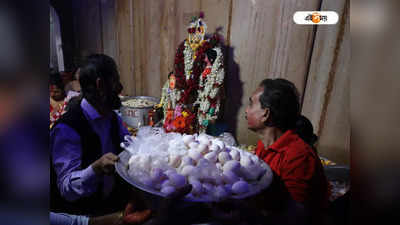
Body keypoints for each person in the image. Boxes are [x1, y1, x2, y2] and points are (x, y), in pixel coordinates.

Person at [50, 54, 130, 215]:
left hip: (111, 204)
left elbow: (128, 145)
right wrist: (95, 168)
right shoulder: (67, 128)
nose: (120, 88)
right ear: (100, 85)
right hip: (85, 215)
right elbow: (66, 189)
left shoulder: (112, 117)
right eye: (115, 81)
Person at [245, 78, 330, 225]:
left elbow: (296, 217)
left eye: (251, 104)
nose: (246, 110)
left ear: (265, 114)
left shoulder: (298, 155)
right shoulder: (263, 146)